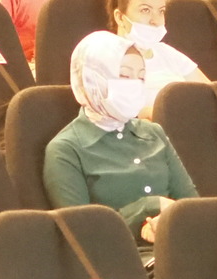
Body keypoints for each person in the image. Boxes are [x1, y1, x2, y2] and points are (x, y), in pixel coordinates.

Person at [44, 30, 196, 245]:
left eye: (141, 77)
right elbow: (81, 233)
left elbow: (193, 205)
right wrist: (151, 206)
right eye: (124, 76)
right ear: (93, 79)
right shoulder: (66, 149)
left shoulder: (153, 132)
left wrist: (168, 222)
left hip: (178, 246)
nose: (134, 85)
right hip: (120, 258)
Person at [105, 0, 203, 114]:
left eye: (161, 11)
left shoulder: (167, 53)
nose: (156, 21)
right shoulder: (105, 58)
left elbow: (212, 96)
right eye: (145, 10)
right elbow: (123, 113)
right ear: (120, 17)